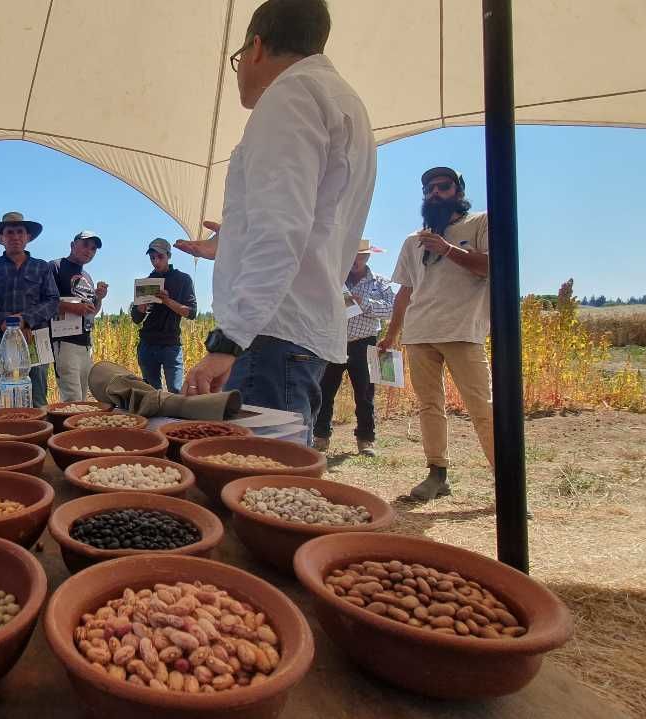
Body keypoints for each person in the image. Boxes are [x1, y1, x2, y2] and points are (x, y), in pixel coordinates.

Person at [182, 0, 377, 447]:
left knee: (260, 487)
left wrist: (227, 342)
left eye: (237, 61)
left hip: (269, 335)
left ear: (255, 47)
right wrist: (231, 244)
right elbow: (311, 222)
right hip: (293, 330)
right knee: (279, 482)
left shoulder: (290, 96)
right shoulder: (342, 100)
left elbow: (283, 230)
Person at [379, 166, 493, 500]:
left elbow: (490, 265)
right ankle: (436, 474)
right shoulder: (413, 241)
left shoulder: (480, 223)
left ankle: (508, 481)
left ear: (458, 191)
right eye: (429, 189)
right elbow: (405, 292)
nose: (435, 194)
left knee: (483, 408)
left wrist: (447, 249)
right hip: (419, 334)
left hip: (462, 331)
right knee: (429, 406)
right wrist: (392, 335)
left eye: (443, 187)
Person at [0, 211, 59, 408]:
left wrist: (25, 318)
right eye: (10, 232)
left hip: (33, 339)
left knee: (37, 399)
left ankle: (37, 438)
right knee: (0, 400)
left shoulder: (41, 267)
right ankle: (2, 438)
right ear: (1, 238)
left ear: (28, 237)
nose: (15, 237)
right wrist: (3, 320)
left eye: (20, 232)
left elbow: (53, 301)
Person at [312, 239, 393, 456]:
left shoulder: (381, 283)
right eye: (353, 255)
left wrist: (364, 303)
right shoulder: (335, 280)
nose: (356, 260)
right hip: (333, 342)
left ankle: (366, 440)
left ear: (368, 257)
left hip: (365, 343)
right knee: (324, 392)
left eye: (361, 256)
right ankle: (320, 437)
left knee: (365, 394)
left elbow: (392, 310)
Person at [130, 239, 196, 392]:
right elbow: (136, 319)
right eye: (152, 258)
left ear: (169, 256)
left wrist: (167, 301)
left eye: (160, 257)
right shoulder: (146, 283)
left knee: (175, 390)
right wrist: (141, 307)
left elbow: (191, 313)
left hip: (171, 344)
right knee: (152, 393)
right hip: (147, 344)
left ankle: (176, 416)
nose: (156, 261)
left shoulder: (183, 280)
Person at [50, 231, 107, 402]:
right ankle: (69, 429)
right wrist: (74, 308)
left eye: (93, 249)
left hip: (85, 343)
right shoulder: (55, 267)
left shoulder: (87, 276)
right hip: (64, 342)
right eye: (85, 245)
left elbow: (92, 312)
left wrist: (99, 298)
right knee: (72, 399)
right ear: (72, 245)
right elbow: (44, 303)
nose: (89, 251)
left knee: (82, 398)